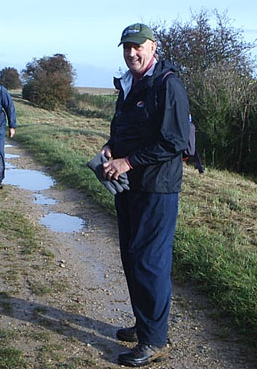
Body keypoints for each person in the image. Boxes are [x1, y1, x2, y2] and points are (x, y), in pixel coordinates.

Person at [101, 23, 190, 367]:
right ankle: (145, 325)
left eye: (138, 47)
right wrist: (111, 148)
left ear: (153, 47)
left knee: (150, 263)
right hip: (129, 186)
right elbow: (122, 126)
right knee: (133, 258)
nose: (131, 53)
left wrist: (128, 161)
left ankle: (154, 341)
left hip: (156, 188)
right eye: (126, 47)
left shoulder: (168, 84)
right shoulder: (131, 83)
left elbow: (175, 140)